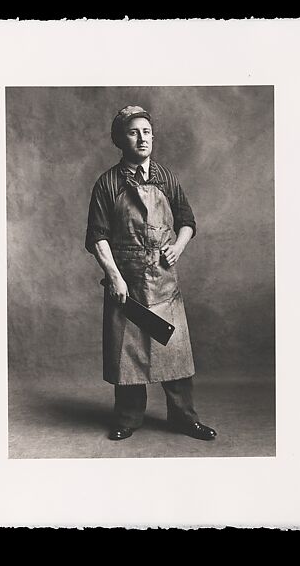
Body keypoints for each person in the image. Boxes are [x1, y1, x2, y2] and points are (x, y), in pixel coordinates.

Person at [85, 105, 217, 441]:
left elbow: (187, 222)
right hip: (126, 283)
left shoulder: (167, 178)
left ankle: (184, 418)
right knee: (128, 353)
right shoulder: (107, 183)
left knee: (173, 348)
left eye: (146, 131)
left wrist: (178, 247)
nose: (142, 138)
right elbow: (97, 236)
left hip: (163, 281)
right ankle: (128, 418)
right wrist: (113, 276)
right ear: (121, 139)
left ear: (153, 137)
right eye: (133, 132)